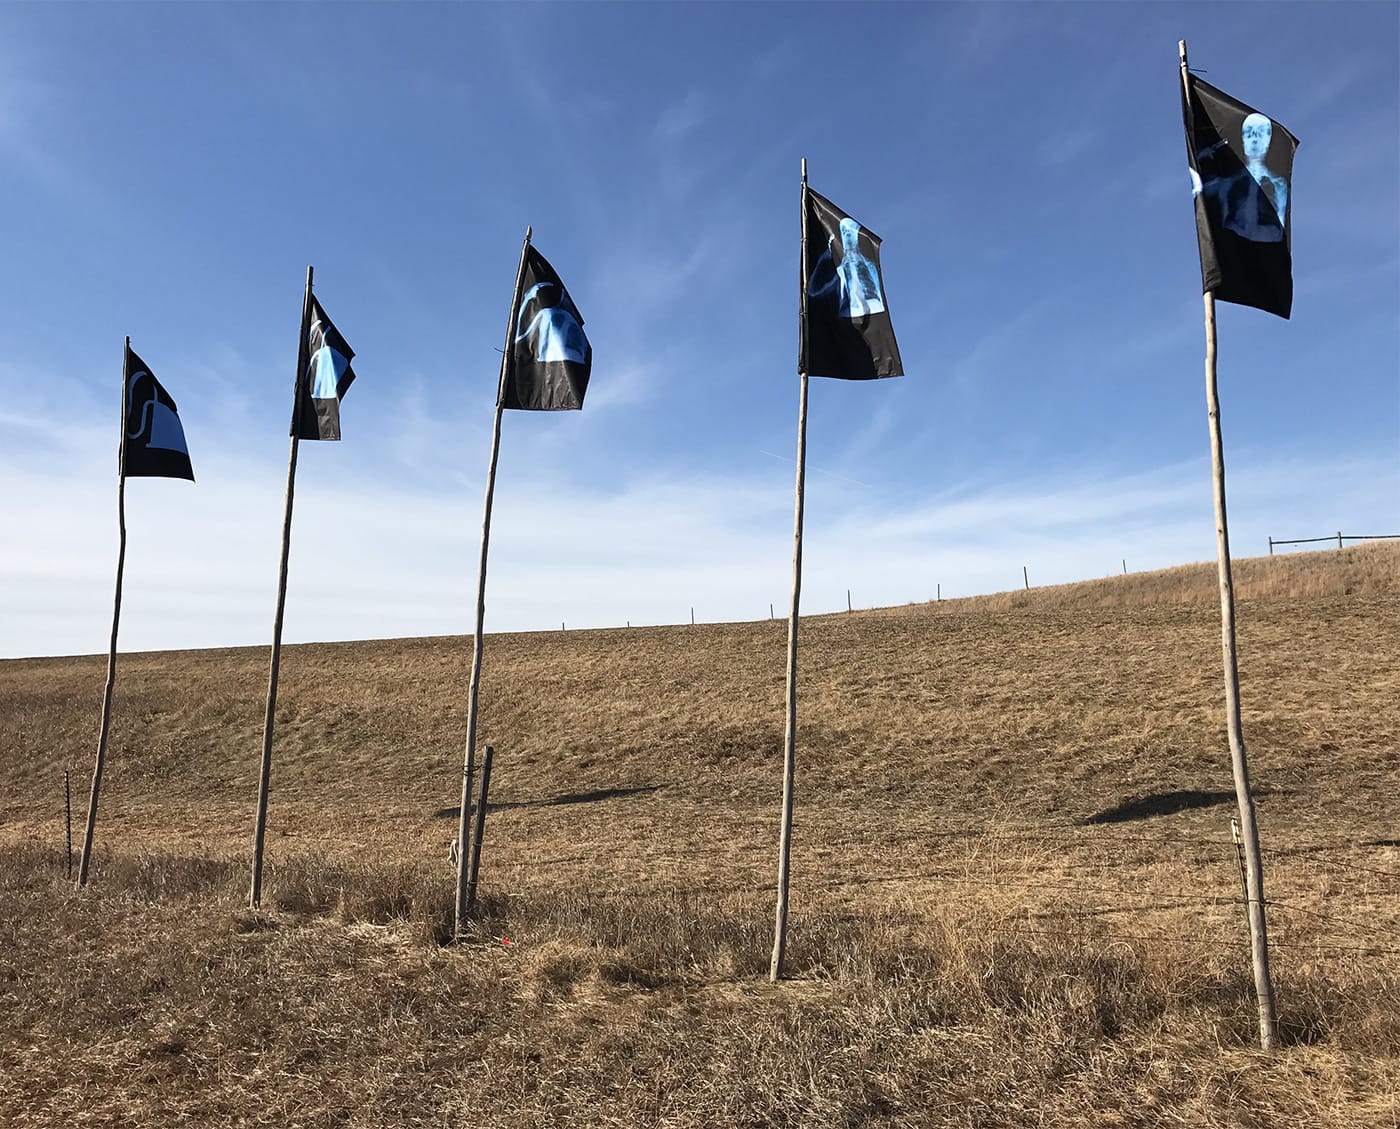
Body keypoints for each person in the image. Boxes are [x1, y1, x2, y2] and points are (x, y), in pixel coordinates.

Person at [1200, 112, 1288, 244]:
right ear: (1243, 138)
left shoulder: (1279, 185)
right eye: (1249, 132)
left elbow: (1280, 232)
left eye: (1260, 132)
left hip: (1263, 251)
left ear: (1268, 139)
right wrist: (1201, 159)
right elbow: (1200, 192)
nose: (1254, 137)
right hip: (1234, 251)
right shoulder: (1227, 183)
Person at [808, 217, 885, 318]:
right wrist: (823, 259)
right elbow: (813, 291)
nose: (847, 233)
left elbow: (880, 295)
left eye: (850, 231)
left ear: (856, 235)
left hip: (874, 310)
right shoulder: (840, 271)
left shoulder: (870, 266)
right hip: (850, 314)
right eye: (844, 231)